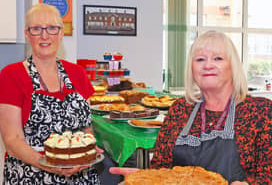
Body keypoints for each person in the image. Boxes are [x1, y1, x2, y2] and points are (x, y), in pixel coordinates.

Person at [110, 31, 272, 184]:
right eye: (200, 59)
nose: (208, 65)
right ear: (191, 68)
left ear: (233, 66)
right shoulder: (180, 109)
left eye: (218, 58)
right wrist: (145, 178)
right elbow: (161, 168)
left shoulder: (260, 111)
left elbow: (268, 175)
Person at [0, 3, 101, 184]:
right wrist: (50, 165)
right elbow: (12, 140)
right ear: (27, 35)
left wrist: (87, 154)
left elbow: (86, 129)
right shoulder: (12, 75)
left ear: (60, 33)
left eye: (52, 28)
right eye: (36, 29)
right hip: (31, 174)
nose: (44, 35)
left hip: (80, 175)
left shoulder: (78, 73)